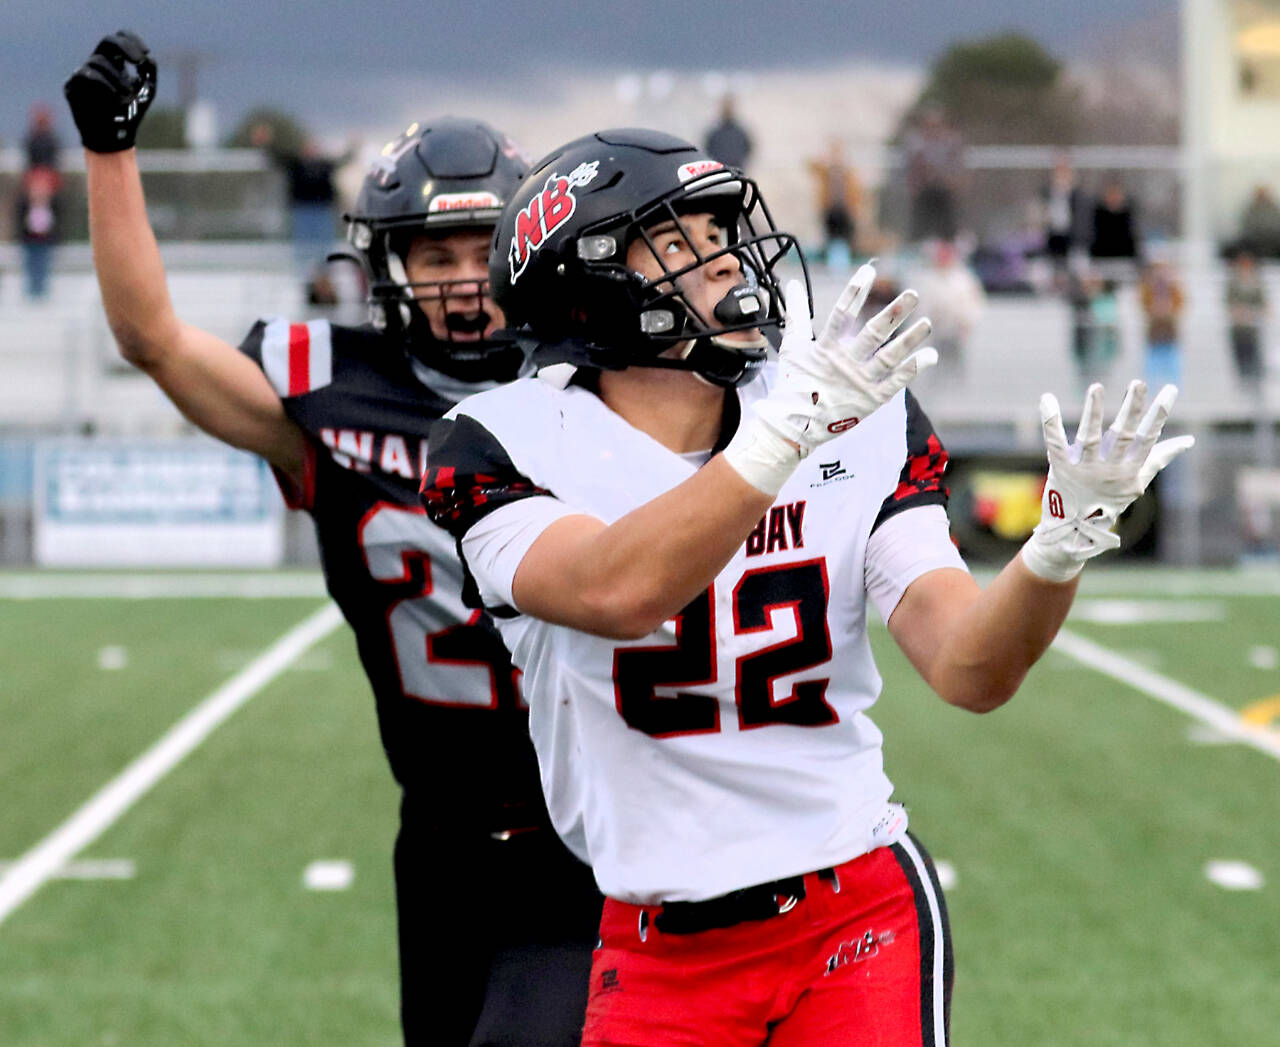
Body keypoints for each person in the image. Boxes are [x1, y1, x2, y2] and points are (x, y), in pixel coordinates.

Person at [421, 128, 1194, 1046]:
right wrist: (776, 442)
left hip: (853, 908)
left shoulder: (849, 415)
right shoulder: (500, 441)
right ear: (584, 286)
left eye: (720, 234)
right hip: (656, 940)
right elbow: (615, 592)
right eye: (678, 244)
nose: (723, 262)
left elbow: (969, 667)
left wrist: (1058, 549)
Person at [65, 31, 602, 1047]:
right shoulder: (328, 390)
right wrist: (110, 152)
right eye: (430, 256)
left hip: (596, 829)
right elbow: (151, 341)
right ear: (384, 266)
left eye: (478, 251)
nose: (458, 282)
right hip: (440, 841)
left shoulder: (592, 390)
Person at [903, 105, 964, 243]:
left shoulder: (950, 140)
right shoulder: (915, 140)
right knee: (921, 229)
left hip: (944, 191)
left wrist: (949, 180)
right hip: (923, 191)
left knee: (947, 229)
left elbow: (956, 166)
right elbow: (916, 166)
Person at [806, 137, 863, 268]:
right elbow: (810, 165)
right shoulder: (825, 171)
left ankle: (843, 262)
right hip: (830, 209)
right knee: (830, 236)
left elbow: (856, 194)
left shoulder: (849, 174)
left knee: (845, 237)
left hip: (844, 210)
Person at [1138, 259, 1185, 391]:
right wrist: (1154, 310)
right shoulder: (1148, 289)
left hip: (1170, 334)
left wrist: (1168, 310)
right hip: (1153, 335)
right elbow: (1143, 305)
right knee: (1152, 371)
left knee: (1172, 370)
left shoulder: (1174, 289)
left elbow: (1180, 305)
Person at [1226, 250, 1267, 389]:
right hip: (1238, 327)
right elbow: (1228, 301)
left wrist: (1252, 313)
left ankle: (1254, 384)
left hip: (1252, 327)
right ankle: (1242, 383)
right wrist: (1237, 311)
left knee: (1253, 357)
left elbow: (1262, 303)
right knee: (1240, 356)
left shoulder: (1256, 282)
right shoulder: (1233, 282)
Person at [702, 94, 753, 172]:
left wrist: (739, 160)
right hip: (720, 171)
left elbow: (749, 147)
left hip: (737, 170)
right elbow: (707, 149)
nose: (727, 110)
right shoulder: (715, 133)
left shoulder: (739, 132)